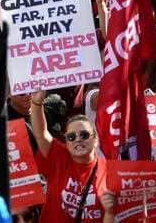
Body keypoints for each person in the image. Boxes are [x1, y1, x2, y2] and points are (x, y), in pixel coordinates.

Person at [30, 89, 111, 223]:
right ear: (66, 142)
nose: (78, 139)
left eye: (84, 135)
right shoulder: (59, 157)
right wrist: (36, 103)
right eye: (71, 137)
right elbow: (41, 134)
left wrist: (110, 211)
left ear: (95, 139)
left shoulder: (109, 171)